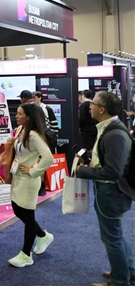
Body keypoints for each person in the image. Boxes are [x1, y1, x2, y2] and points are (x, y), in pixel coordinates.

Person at [76, 91, 134, 286]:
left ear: (102, 109)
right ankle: (127, 271)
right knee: (115, 234)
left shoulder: (115, 133)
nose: (89, 107)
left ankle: (119, 281)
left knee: (112, 238)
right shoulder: (109, 128)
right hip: (111, 191)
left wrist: (83, 171)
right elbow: (106, 156)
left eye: (92, 104)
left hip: (111, 192)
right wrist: (89, 156)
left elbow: (113, 171)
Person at [6, 103, 54, 268]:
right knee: (18, 211)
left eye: (20, 114)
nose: (16, 116)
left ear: (28, 117)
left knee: (28, 216)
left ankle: (26, 255)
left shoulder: (33, 135)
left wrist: (34, 170)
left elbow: (48, 157)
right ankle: (43, 236)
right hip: (18, 178)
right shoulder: (22, 130)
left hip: (28, 181)